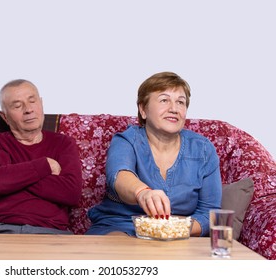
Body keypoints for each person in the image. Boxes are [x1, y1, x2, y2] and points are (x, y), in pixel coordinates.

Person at [86, 72, 222, 237]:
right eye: (164, 100)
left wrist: (172, 230)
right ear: (143, 109)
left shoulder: (203, 149)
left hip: (179, 236)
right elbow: (119, 175)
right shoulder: (127, 140)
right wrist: (142, 192)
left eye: (180, 102)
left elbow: (210, 212)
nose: (174, 109)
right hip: (122, 226)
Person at [0, 79, 83, 234]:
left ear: (41, 104)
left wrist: (12, 176)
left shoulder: (63, 143)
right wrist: (45, 166)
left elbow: (71, 193)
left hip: (49, 232)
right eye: (17, 106)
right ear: (4, 116)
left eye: (32, 101)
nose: (28, 109)